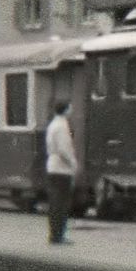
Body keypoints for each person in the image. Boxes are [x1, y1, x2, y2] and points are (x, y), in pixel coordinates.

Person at [45, 101, 78, 245]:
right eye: (70, 107)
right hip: (62, 168)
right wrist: (73, 163)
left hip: (53, 166)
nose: (71, 110)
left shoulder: (53, 124)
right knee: (61, 203)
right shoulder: (62, 125)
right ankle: (58, 236)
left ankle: (54, 234)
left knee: (55, 202)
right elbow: (64, 148)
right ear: (65, 110)